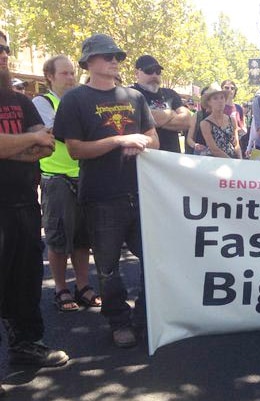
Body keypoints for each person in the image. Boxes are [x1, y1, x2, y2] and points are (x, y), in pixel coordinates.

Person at [52, 33, 159, 348]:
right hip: (100, 197)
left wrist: (139, 141)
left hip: (141, 193)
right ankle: (118, 321)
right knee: (109, 269)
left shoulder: (134, 97)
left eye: (117, 56)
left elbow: (152, 137)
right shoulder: (75, 99)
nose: (114, 60)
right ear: (89, 61)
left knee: (154, 258)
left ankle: (143, 316)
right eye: (106, 55)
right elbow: (74, 150)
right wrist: (119, 140)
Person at [0, 30, 69, 368]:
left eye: (5, 48)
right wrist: (24, 140)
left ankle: (26, 346)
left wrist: (7, 147)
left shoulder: (20, 101)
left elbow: (47, 145)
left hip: (24, 203)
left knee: (25, 282)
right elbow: (34, 141)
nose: (3, 54)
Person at [31, 55, 100, 312]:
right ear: (50, 76)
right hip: (57, 178)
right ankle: (61, 288)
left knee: (83, 238)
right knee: (59, 238)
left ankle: (82, 286)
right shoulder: (42, 102)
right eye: (64, 74)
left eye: (72, 73)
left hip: (84, 175)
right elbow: (56, 132)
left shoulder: (80, 100)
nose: (71, 78)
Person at [132, 55, 190, 153]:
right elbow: (137, 120)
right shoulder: (130, 94)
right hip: (144, 159)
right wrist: (171, 114)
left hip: (172, 159)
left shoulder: (170, 94)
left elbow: (187, 121)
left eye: (158, 71)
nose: (154, 75)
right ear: (137, 73)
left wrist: (150, 121)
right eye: (149, 70)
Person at [198, 83, 242, 159]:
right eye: (215, 98)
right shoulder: (205, 123)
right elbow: (214, 149)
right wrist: (231, 161)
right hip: (214, 160)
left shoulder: (232, 120)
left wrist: (240, 159)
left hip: (232, 157)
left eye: (222, 98)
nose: (220, 101)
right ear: (209, 102)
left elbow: (236, 144)